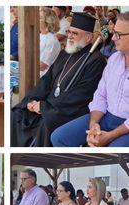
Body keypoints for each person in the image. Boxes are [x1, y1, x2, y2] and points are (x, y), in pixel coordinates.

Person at [12, 12, 106, 147]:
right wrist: (33, 100)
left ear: (88, 37)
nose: (70, 36)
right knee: (17, 113)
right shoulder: (65, 53)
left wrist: (45, 107)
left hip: (71, 109)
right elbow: (46, 80)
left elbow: (82, 94)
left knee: (47, 122)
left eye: (75, 33)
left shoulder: (96, 61)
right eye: (69, 32)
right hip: (50, 104)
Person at [51, 12, 129, 147]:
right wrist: (94, 125)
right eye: (114, 32)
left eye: (119, 34)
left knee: (114, 151)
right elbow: (101, 94)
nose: (113, 38)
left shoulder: (96, 60)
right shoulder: (115, 59)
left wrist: (110, 136)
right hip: (105, 116)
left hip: (125, 125)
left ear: (88, 37)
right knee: (58, 137)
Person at [39, 7, 61, 77]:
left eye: (39, 17)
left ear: (48, 21)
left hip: (41, 77)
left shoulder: (52, 41)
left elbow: (42, 66)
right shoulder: (40, 35)